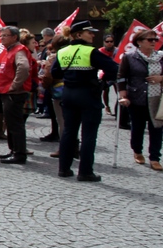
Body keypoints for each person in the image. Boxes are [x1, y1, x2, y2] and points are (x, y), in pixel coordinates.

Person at [51, 19, 119, 182]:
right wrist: (103, 82)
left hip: (68, 93)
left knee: (68, 132)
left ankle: (64, 168)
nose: (93, 36)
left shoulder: (62, 52)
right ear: (79, 34)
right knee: (89, 134)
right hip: (88, 94)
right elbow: (114, 68)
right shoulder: (91, 52)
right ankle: (85, 171)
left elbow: (55, 73)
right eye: (90, 33)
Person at [116, 28, 163, 172]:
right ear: (139, 42)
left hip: (157, 97)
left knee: (157, 128)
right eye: (150, 40)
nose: (154, 42)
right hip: (137, 98)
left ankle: (155, 157)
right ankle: (137, 151)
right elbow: (122, 77)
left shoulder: (162, 56)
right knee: (138, 127)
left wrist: (162, 78)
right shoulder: (129, 57)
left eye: (155, 40)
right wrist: (123, 95)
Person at [0, 27, 33, 165]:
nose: (1, 38)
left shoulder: (19, 50)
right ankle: (14, 150)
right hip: (8, 92)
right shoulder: (10, 50)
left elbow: (23, 67)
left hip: (14, 93)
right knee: (10, 123)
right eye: (1, 35)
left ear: (14, 37)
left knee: (15, 124)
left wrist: (14, 86)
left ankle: (19, 153)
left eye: (5, 35)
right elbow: (9, 71)